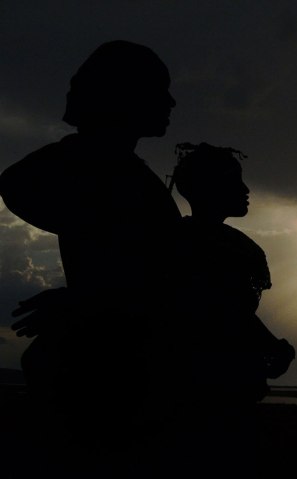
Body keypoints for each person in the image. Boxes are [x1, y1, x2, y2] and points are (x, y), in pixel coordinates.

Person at [0, 40, 181, 478]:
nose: (172, 101)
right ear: (126, 98)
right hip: (107, 372)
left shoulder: (114, 169)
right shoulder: (103, 168)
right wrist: (89, 296)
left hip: (114, 360)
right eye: (160, 89)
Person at [141, 142, 296, 478]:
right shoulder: (226, 248)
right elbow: (229, 314)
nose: (245, 190)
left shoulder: (183, 240)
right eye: (234, 181)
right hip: (212, 387)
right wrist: (272, 347)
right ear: (210, 188)